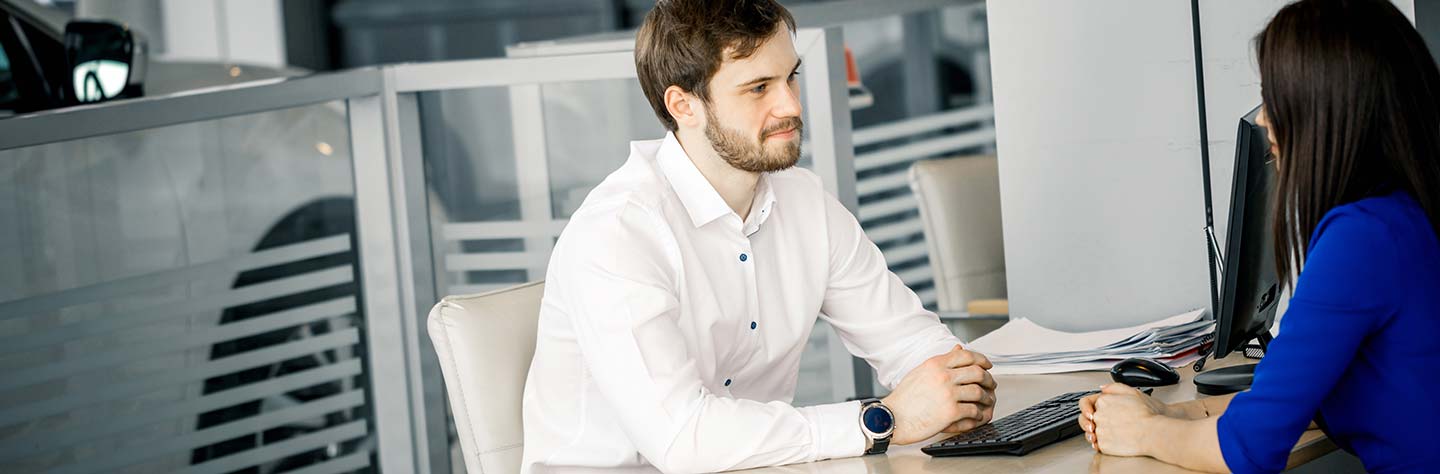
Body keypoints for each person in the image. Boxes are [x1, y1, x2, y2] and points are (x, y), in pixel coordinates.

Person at [520, 0, 997, 472]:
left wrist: (956, 387)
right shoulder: (619, 232)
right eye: (758, 88)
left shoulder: (804, 203)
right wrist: (881, 421)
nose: (790, 105)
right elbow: (685, 439)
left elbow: (907, 341)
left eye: (790, 77)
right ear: (683, 105)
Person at [1078, 0, 1440, 472]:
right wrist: (1169, 413)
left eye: (1275, 98)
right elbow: (1304, 402)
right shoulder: (1407, 214)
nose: (1265, 119)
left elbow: (1247, 451)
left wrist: (1145, 433)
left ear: (1325, 109)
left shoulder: (1362, 239)